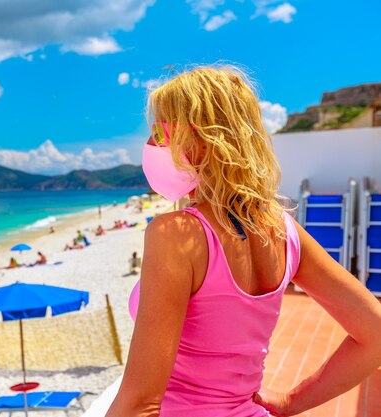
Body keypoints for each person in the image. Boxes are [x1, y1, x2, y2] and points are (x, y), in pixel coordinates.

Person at [106, 65, 381, 417]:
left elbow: (140, 403)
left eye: (160, 132)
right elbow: (374, 333)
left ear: (202, 141)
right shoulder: (283, 230)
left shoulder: (175, 235)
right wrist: (290, 402)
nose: (150, 145)